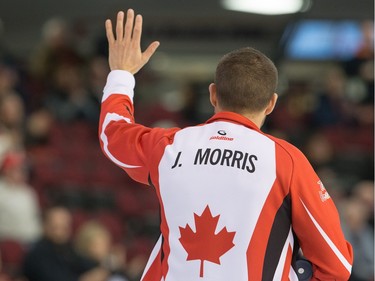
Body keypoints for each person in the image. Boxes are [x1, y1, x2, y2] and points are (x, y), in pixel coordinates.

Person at [99, 9, 353, 280]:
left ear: (212, 94)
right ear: (271, 103)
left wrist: (122, 74)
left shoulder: (168, 146)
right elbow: (336, 266)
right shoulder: (286, 161)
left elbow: (112, 133)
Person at [22, 206, 108, 281]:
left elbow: (87, 264)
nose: (61, 232)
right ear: (45, 226)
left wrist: (101, 270)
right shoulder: (37, 254)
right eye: (56, 227)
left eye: (65, 227)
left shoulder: (68, 248)